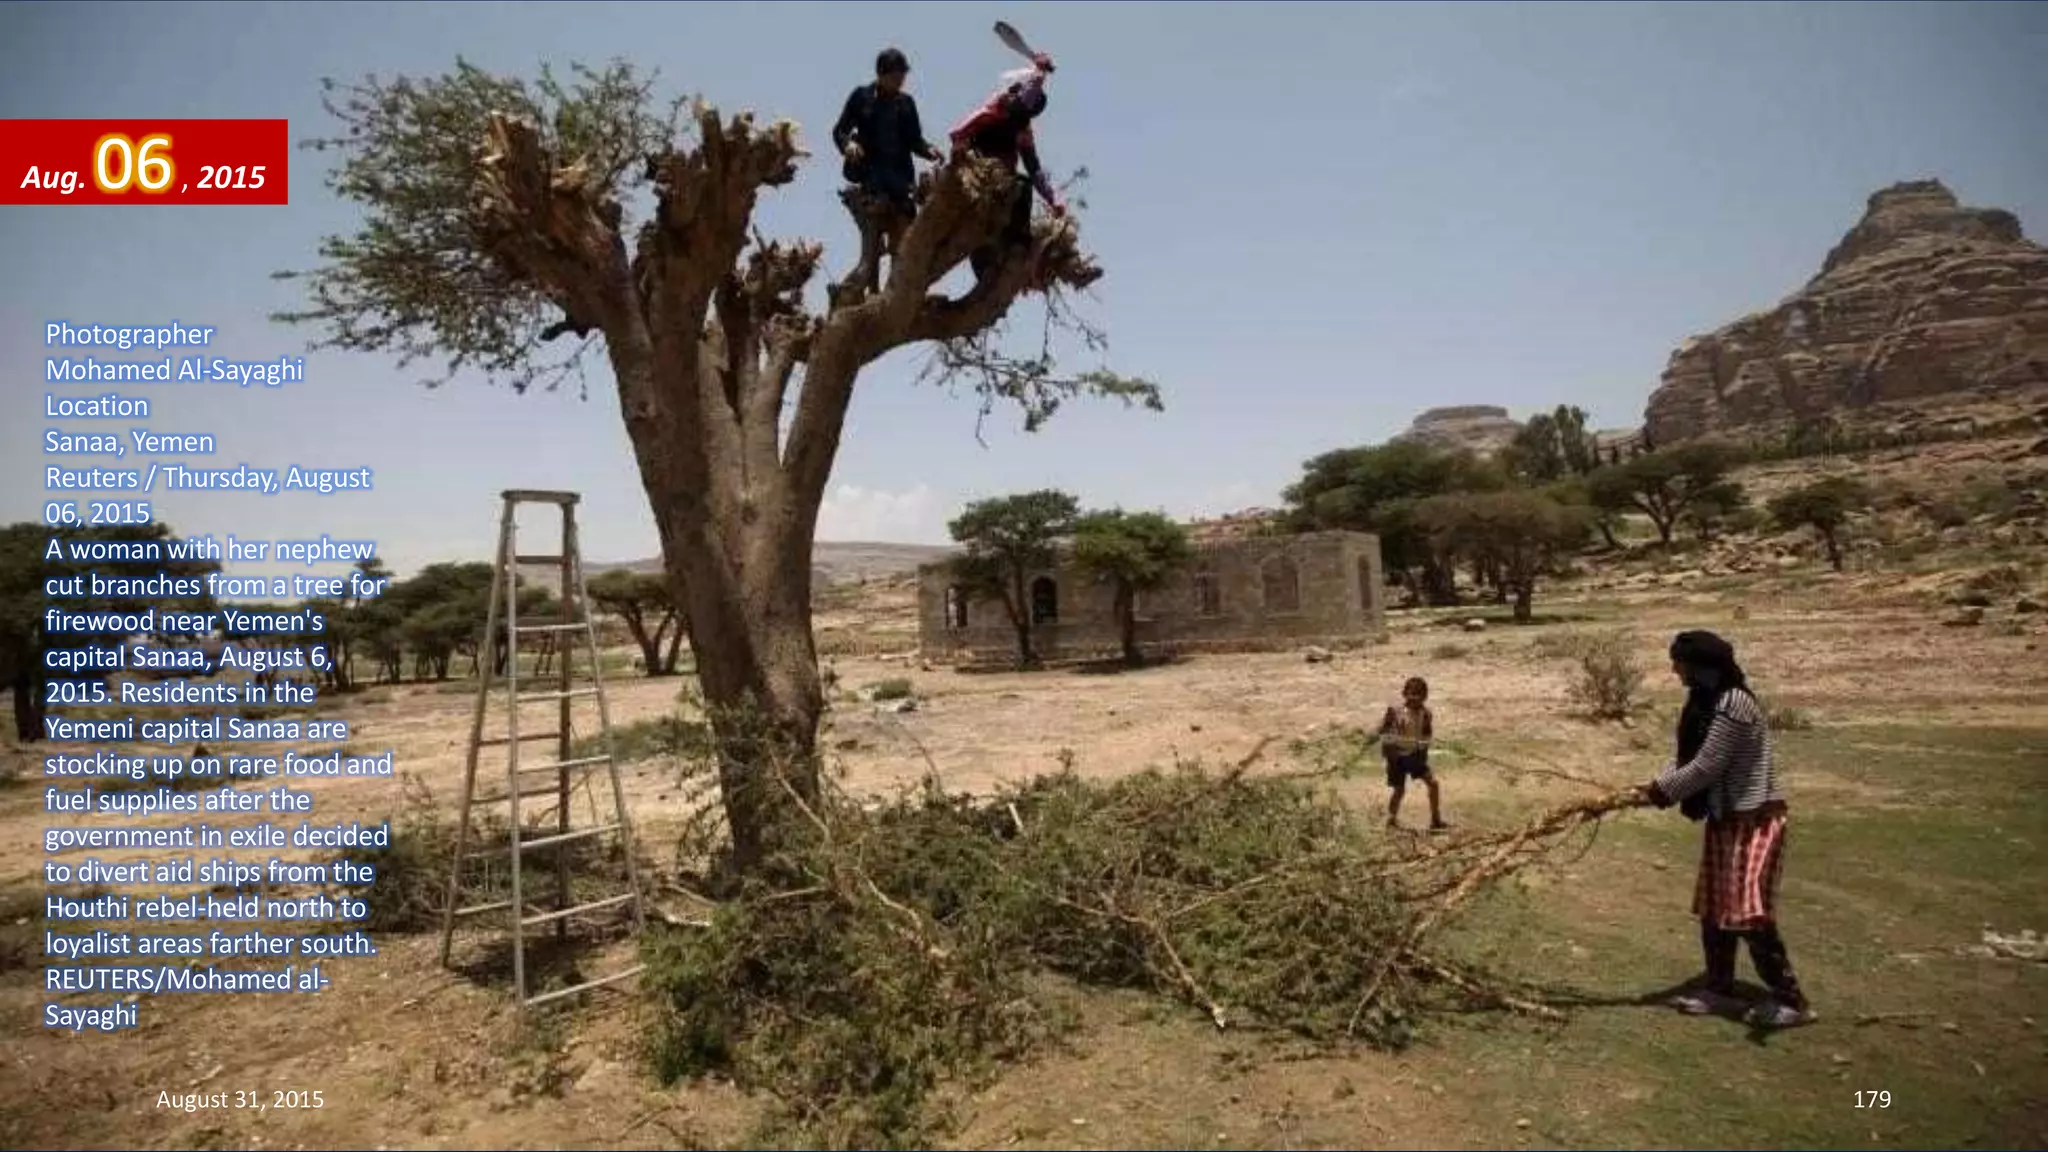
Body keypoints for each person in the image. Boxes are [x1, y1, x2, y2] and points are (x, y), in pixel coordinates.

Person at [1639, 630, 1815, 1029]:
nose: (1674, 670)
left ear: (1701, 666)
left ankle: (1792, 1000)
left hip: (1753, 819)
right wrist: (1653, 786)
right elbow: (1687, 759)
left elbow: (1707, 767)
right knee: (1716, 908)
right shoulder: (1704, 702)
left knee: (1747, 911)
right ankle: (1719, 988)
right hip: (1725, 819)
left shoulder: (1734, 703)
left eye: (1679, 662)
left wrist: (1659, 794)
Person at [947, 51, 1065, 282]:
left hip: (1005, 181)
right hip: (976, 174)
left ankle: (1017, 245)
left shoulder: (1022, 129)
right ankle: (985, 258)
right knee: (1002, 194)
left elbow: (1034, 168)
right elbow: (958, 134)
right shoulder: (992, 112)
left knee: (1022, 185)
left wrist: (1053, 198)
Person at [831, 47, 943, 290]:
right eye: (896, 76)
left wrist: (930, 150)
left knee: (902, 244)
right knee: (872, 248)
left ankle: (893, 294)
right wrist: (848, 144)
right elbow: (839, 130)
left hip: (901, 181)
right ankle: (871, 293)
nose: (901, 80)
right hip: (872, 178)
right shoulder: (862, 97)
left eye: (903, 75)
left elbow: (915, 140)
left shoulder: (906, 103)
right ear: (882, 75)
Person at [1379, 676, 1449, 832]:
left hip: (1413, 755)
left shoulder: (1426, 714)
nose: (1415, 698)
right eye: (1412, 694)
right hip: (1397, 756)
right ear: (1405, 694)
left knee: (1433, 784)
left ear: (1425, 696)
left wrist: (1422, 750)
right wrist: (1391, 755)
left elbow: (1426, 735)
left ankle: (1435, 820)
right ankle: (1390, 821)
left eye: (1420, 695)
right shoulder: (1395, 712)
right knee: (1399, 790)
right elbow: (1384, 734)